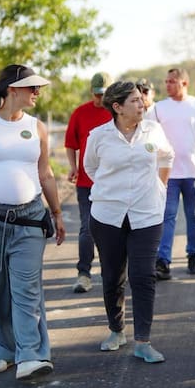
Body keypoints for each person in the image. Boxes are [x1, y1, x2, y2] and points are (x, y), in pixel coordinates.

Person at [0, 64, 66, 380]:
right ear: (12, 89)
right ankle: (1, 351)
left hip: (30, 219)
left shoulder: (36, 127)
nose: (37, 93)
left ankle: (30, 354)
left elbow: (46, 173)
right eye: (32, 87)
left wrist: (56, 213)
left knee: (27, 288)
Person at [84, 81, 174, 363]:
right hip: (107, 216)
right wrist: (114, 189)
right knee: (112, 276)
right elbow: (91, 167)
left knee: (143, 276)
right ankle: (116, 330)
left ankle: (143, 342)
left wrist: (160, 187)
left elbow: (167, 156)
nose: (141, 104)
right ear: (117, 107)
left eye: (141, 99)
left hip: (147, 214)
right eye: (134, 100)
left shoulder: (153, 130)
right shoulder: (99, 136)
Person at [146, 68, 195, 279]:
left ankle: (193, 254)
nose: (167, 85)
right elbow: (147, 136)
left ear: (184, 83)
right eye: (166, 81)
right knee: (167, 215)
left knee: (194, 217)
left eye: (172, 81)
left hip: (193, 172)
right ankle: (163, 260)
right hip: (167, 173)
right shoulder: (158, 108)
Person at [65, 72, 113, 293]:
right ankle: (83, 274)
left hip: (113, 184)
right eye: (96, 94)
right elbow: (70, 143)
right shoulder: (80, 113)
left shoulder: (118, 113)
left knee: (112, 229)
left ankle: (112, 273)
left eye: (103, 94)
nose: (99, 98)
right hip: (86, 182)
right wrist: (73, 166)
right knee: (87, 228)